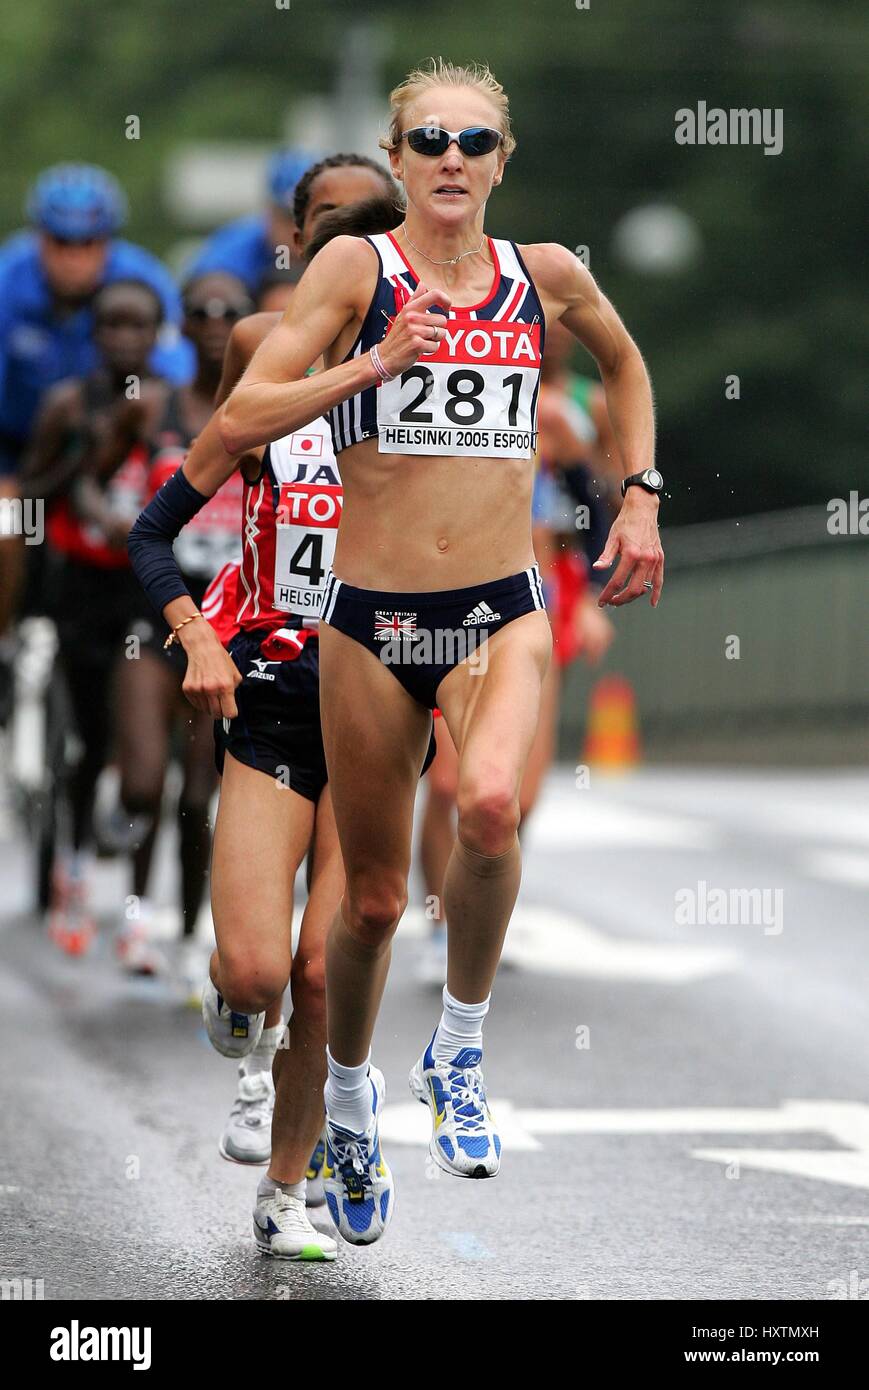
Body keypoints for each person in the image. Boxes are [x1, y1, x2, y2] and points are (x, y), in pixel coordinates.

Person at [217, 58, 664, 1248]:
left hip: (497, 608)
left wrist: (640, 496)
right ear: (401, 159)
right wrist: (371, 365)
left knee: (488, 812)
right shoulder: (354, 270)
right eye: (427, 141)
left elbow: (622, 363)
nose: (451, 159)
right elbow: (240, 416)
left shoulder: (544, 275)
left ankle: (456, 1056)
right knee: (366, 903)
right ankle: (352, 1104)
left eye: (474, 140)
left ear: (501, 160)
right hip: (368, 620)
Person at [128, 153, 407, 1261]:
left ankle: (291, 1181)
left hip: (386, 700)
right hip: (276, 692)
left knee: (326, 965)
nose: (355, 256)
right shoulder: (259, 373)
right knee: (252, 972)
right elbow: (155, 531)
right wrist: (196, 634)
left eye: (372, 233)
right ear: (300, 250)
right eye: (329, 233)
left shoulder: (437, 402)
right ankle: (246, 1030)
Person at [20, 279, 171, 951]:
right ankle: (73, 872)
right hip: (79, 584)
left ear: (157, 334)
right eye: (109, 324)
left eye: (137, 325)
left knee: (142, 753)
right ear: (93, 333)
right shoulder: (67, 404)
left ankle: (137, 910)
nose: (122, 338)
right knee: (82, 740)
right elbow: (27, 493)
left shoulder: (170, 408)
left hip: (147, 589)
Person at [114, 272, 254, 977]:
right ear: (182, 321)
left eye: (230, 312)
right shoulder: (152, 408)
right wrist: (109, 512)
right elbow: (94, 473)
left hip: (228, 626)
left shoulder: (267, 409)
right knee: (143, 781)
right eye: (199, 311)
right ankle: (134, 914)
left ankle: (190, 930)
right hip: (154, 618)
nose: (214, 323)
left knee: (201, 793)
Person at [0, 164, 193, 660]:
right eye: (60, 242)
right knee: (6, 527)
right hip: (19, 444)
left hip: (116, 441)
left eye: (88, 243)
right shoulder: (7, 278)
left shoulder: (143, 278)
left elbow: (175, 380)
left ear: (107, 241)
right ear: (38, 237)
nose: (73, 257)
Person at [184, 149, 315, 295]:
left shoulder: (337, 244)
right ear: (269, 213)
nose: (297, 230)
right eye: (288, 218)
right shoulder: (231, 256)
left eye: (309, 216)